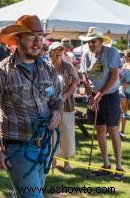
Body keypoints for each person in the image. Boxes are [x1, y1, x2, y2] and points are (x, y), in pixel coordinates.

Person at [0, 15, 63, 197]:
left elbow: (58, 99)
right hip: (17, 149)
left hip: (44, 146)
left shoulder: (48, 69)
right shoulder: (1, 72)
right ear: (18, 39)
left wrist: (57, 111)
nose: (37, 42)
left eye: (40, 37)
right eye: (31, 37)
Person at [79, 27, 124, 180]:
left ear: (100, 41)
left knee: (113, 130)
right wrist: (91, 96)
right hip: (94, 96)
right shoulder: (86, 55)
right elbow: (84, 76)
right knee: (99, 130)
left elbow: (114, 76)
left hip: (110, 96)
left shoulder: (112, 53)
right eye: (88, 42)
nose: (90, 44)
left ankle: (119, 167)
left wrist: (100, 94)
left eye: (93, 41)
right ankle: (106, 165)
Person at [48, 42, 79, 173]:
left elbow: (76, 82)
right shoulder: (46, 67)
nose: (59, 51)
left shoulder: (69, 66)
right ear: (50, 52)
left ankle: (67, 162)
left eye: (61, 49)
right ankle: (53, 160)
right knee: (52, 134)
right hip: (50, 106)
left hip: (67, 105)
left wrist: (65, 96)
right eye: (56, 50)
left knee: (67, 132)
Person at [119, 49, 130, 137]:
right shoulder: (125, 65)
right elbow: (121, 76)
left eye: (125, 55)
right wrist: (121, 82)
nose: (124, 57)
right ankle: (122, 131)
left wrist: (128, 84)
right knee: (124, 112)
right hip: (123, 91)